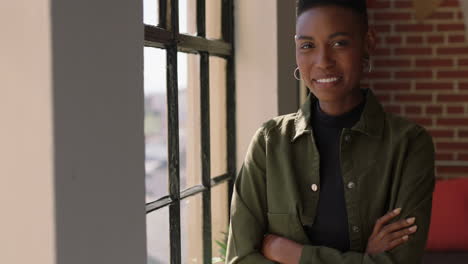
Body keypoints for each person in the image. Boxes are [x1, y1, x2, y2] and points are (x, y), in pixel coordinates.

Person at [225, 0, 435, 263]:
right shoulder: (269, 143)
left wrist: (295, 254)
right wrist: (365, 258)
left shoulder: (409, 145)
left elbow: (400, 261)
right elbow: (241, 258)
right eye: (308, 46)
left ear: (368, 42)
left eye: (339, 43)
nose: (323, 61)